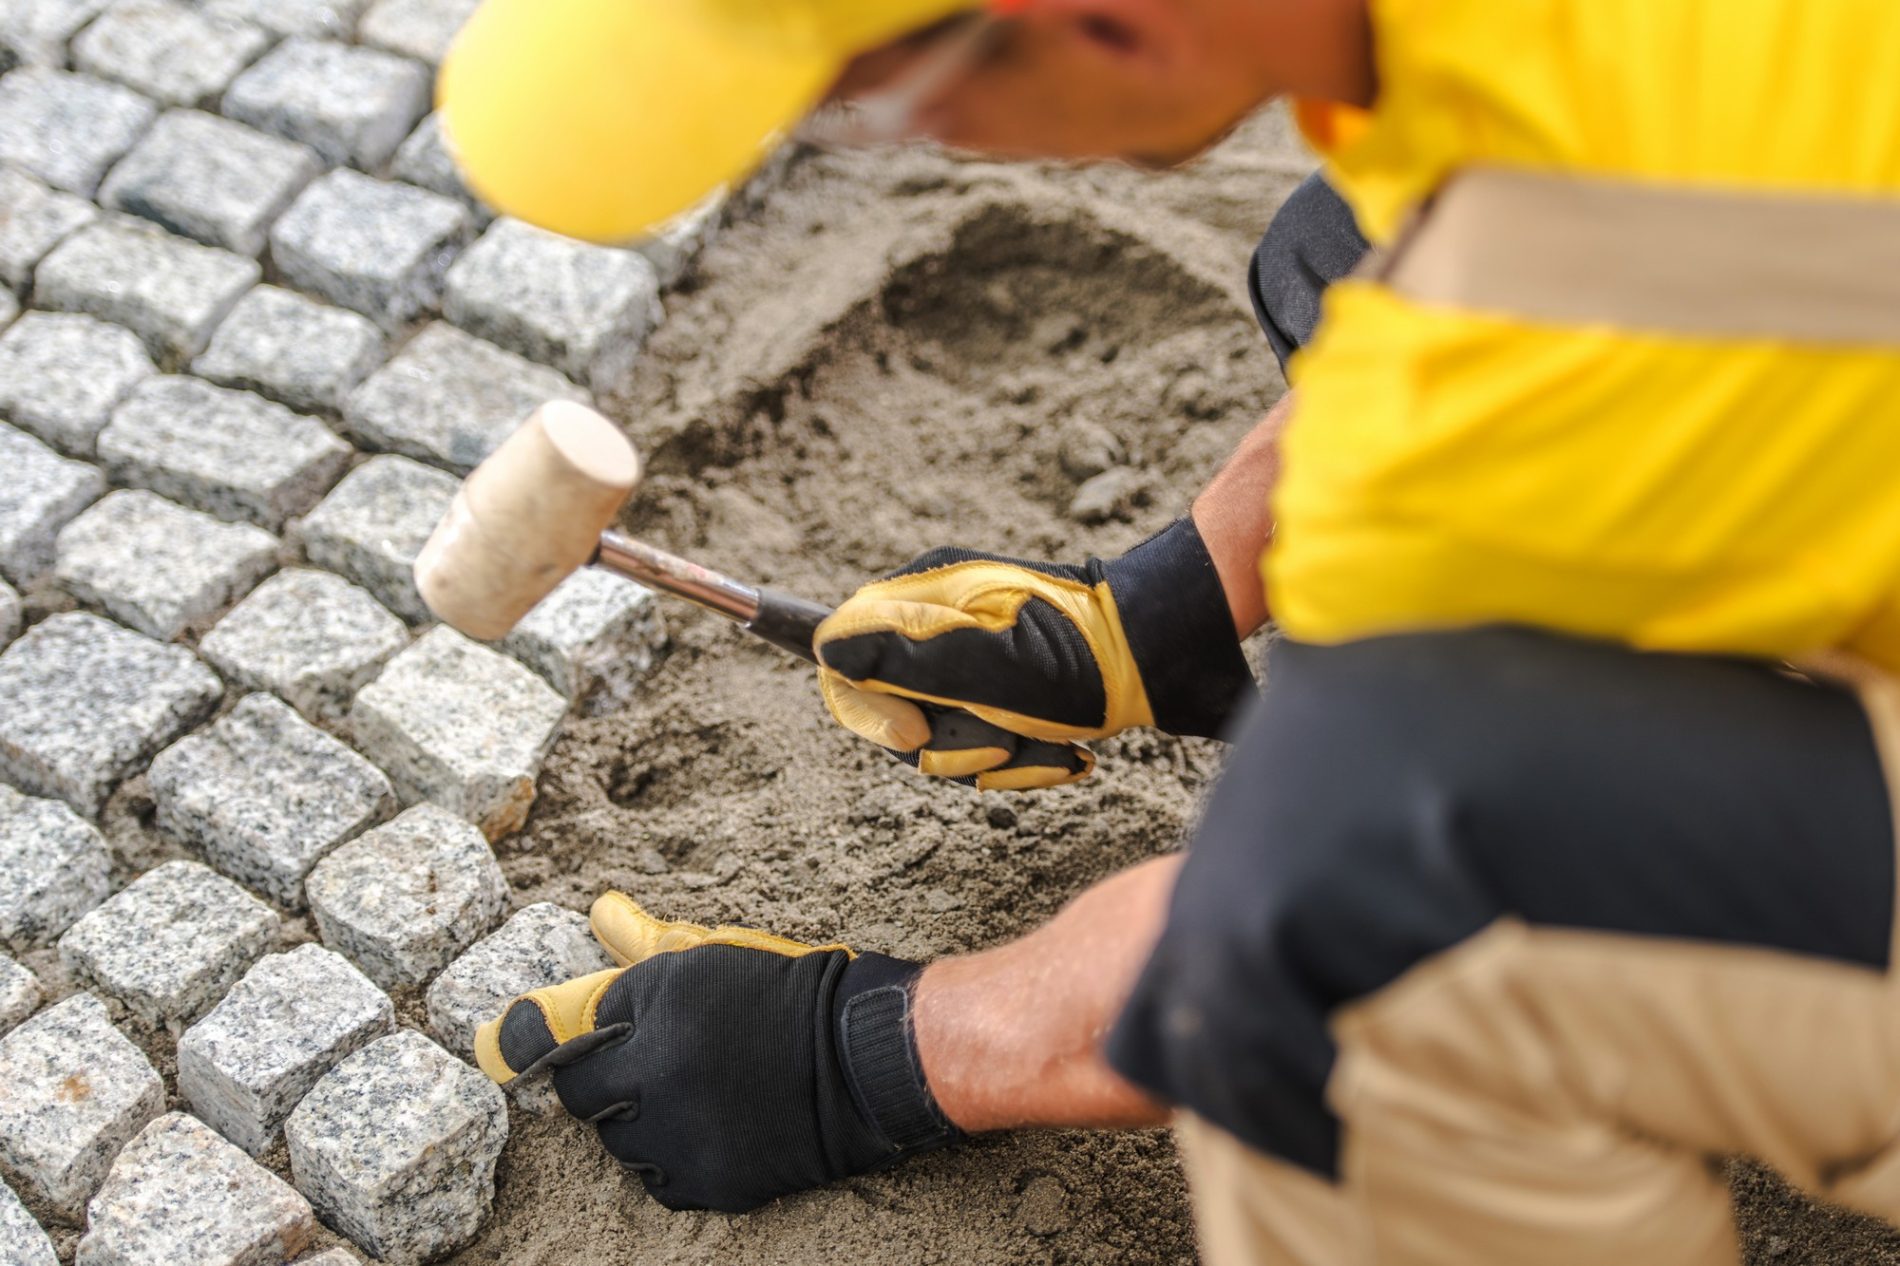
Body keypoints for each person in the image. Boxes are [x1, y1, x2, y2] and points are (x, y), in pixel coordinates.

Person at [439, 1, 1900, 1261]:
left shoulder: (1640, 232)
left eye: (874, 107)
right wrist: (1162, 611)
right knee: (1333, 251)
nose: (926, 143)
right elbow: (1435, 266)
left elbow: (1336, 868)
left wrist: (883, 1046)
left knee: (1361, 977)